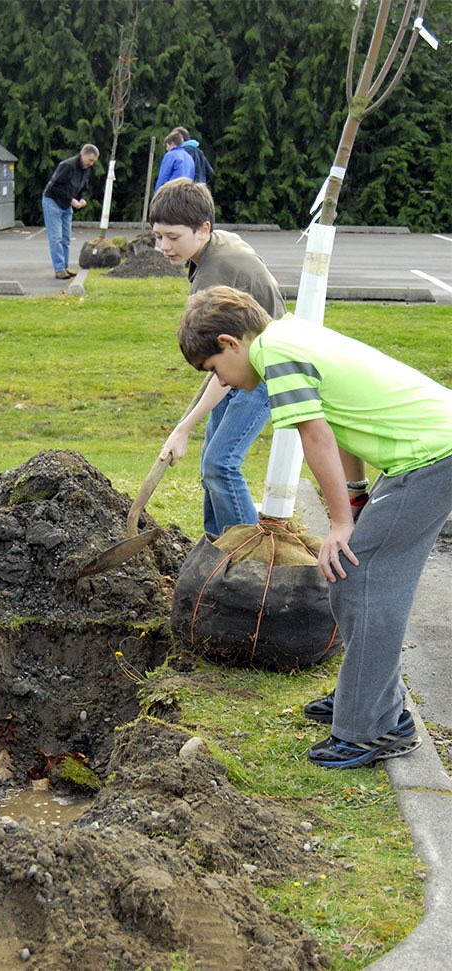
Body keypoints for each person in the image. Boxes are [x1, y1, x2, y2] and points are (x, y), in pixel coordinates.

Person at [178, 285, 452, 769]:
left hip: (432, 456)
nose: (223, 382)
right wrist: (357, 491)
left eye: (214, 371)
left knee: (362, 577)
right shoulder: (287, 337)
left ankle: (372, 729)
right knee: (357, 578)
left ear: (229, 343)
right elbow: (339, 418)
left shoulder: (275, 355)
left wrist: (341, 522)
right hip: (424, 453)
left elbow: (315, 433)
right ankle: (366, 701)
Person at [150, 177, 285, 534]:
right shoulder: (213, 246)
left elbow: (226, 368)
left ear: (203, 228)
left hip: (263, 370)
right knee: (211, 466)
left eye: (173, 237)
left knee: (221, 465)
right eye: (158, 236)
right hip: (240, 361)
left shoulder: (216, 272)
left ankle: (247, 559)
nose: (163, 246)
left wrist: (184, 427)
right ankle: (214, 549)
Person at [42, 144, 99, 279]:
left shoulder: (86, 169)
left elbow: (84, 187)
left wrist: (82, 198)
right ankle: (59, 268)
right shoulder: (67, 166)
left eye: (93, 162)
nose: (91, 164)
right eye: (90, 160)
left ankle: (65, 267)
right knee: (56, 238)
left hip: (66, 204)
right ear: (83, 155)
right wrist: (71, 200)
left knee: (66, 238)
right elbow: (55, 186)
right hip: (53, 202)